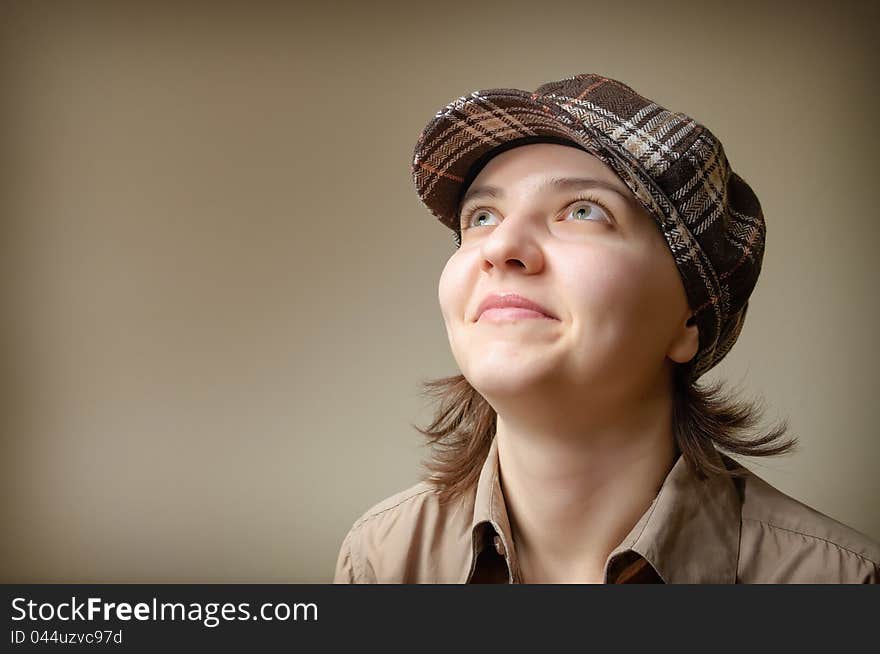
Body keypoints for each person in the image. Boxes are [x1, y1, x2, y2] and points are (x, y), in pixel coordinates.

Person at [333, 73, 880, 583]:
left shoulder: (838, 581)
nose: (500, 247)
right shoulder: (381, 559)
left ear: (689, 315)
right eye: (481, 217)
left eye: (582, 211)